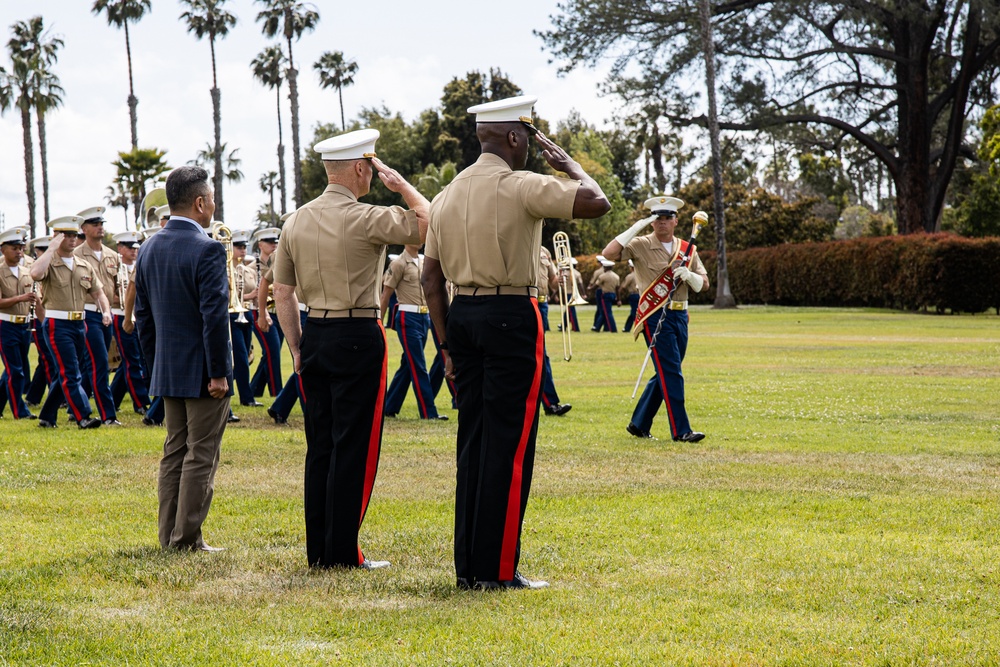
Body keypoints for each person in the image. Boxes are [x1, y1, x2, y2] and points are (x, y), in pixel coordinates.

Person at [422, 95, 610, 590]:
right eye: (527, 137)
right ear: (514, 137)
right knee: (510, 444)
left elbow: (429, 278)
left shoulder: (446, 195)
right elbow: (596, 201)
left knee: (475, 442)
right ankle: (498, 571)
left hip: (461, 316)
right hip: (511, 315)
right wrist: (570, 165)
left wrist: (445, 347)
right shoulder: (521, 184)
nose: (529, 147)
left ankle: (469, 567)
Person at [272, 128, 429, 569]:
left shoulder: (295, 220)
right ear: (362, 168)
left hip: (316, 334)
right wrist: (400, 186)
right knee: (354, 446)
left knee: (320, 445)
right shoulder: (368, 216)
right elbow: (427, 219)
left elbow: (283, 292)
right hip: (359, 334)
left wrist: (297, 347)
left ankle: (319, 551)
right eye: (372, 167)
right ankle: (343, 553)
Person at [134, 165, 233, 551]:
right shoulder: (208, 248)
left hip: (168, 368)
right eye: (211, 198)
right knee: (201, 454)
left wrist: (154, 364)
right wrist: (219, 372)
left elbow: (143, 317)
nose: (212, 205)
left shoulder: (148, 247)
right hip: (204, 373)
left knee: (175, 450)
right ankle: (186, 540)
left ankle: (169, 536)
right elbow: (213, 317)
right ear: (200, 202)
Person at [602, 195, 709, 443]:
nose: (662, 223)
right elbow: (609, 252)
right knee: (671, 371)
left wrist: (691, 277)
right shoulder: (639, 244)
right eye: (657, 218)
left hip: (680, 314)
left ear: (675, 221)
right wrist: (635, 227)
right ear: (652, 222)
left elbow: (705, 283)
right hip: (655, 315)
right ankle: (681, 430)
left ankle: (639, 423)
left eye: (667, 218)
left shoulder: (687, 248)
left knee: (666, 369)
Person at [31, 215, 110, 429]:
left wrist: (106, 311)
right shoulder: (49, 262)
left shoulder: (84, 265)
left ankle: (47, 417)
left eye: (75, 234)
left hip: (80, 324)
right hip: (58, 324)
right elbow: (35, 273)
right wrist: (51, 248)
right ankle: (83, 416)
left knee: (66, 372)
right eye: (67, 235)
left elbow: (98, 292)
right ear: (56, 237)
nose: (73, 239)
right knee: (71, 372)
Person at [381, 245, 447, 420]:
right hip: (407, 317)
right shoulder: (398, 263)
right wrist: (379, 325)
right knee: (418, 365)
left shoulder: (425, 261)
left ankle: (389, 406)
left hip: (424, 317)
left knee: (407, 365)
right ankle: (428, 413)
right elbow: (385, 295)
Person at [74, 206, 121, 426]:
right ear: (83, 229)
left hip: (107, 314)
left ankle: (72, 407)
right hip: (87, 314)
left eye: (101, 223)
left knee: (88, 365)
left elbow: (117, 286)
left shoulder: (113, 255)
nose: (100, 228)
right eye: (95, 224)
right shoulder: (76, 255)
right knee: (100, 362)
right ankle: (108, 415)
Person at [109, 231, 151, 415]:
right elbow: (105, 292)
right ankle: (141, 402)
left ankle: (113, 397)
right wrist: (124, 300)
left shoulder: (139, 266)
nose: (134, 251)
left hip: (139, 315)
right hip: (120, 314)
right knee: (132, 359)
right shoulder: (114, 268)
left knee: (133, 359)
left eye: (135, 248)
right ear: (120, 248)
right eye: (129, 247)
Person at [0, 226, 37, 420]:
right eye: (14, 248)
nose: (19, 252)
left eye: (21, 247)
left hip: (24, 325)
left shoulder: (26, 272)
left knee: (14, 368)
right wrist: (20, 298)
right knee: (16, 370)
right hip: (6, 325)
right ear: (3, 249)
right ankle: (19, 411)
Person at [537, 245, 570, 416]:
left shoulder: (544, 251)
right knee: (539, 355)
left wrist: (561, 279)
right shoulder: (517, 242)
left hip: (542, 303)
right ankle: (550, 403)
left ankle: (550, 403)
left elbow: (552, 281)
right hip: (525, 302)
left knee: (540, 354)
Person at [249, 227, 282, 398]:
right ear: (261, 245)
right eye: (270, 243)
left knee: (271, 352)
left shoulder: (280, 262)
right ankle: (278, 393)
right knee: (273, 351)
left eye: (276, 242)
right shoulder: (253, 266)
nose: (274, 245)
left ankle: (254, 389)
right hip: (261, 312)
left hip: (278, 312)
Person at [23, 236, 54, 407]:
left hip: (53, 317)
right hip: (39, 319)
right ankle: (54, 395)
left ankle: (33, 397)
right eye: (43, 251)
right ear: (37, 252)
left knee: (45, 360)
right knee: (48, 359)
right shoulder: (32, 270)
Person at [594, 258, 620, 332]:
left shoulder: (603, 276)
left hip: (605, 295)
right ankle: (597, 327)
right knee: (604, 311)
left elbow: (596, 285)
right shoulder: (616, 276)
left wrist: (589, 289)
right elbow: (617, 289)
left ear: (605, 267)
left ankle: (613, 329)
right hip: (613, 294)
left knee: (607, 313)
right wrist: (618, 299)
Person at [621, 260, 640, 332]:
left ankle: (630, 327)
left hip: (633, 295)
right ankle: (627, 328)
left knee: (633, 312)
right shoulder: (642, 274)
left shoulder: (630, 276)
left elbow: (624, 287)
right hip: (641, 295)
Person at [589, 256, 607, 332]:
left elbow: (592, 282)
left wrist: (589, 289)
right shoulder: (609, 272)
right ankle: (605, 325)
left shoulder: (598, 272)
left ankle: (597, 325)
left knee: (600, 309)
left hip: (599, 291)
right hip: (607, 291)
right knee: (605, 309)